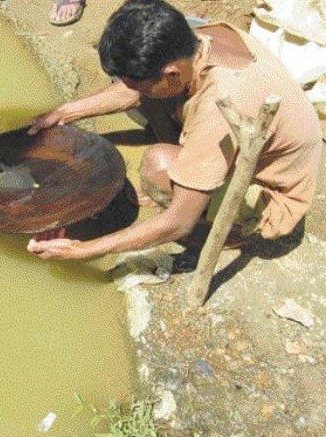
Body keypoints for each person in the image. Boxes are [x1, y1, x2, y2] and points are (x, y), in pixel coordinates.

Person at [27, 0, 322, 260]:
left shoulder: (223, 105)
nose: (125, 89)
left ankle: (232, 230)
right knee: (149, 99)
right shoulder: (194, 39)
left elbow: (179, 221)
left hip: (271, 197)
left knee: (158, 167)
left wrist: (83, 249)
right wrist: (64, 113)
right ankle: (190, 179)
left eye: (134, 83)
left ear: (171, 74)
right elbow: (130, 92)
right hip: (243, 139)